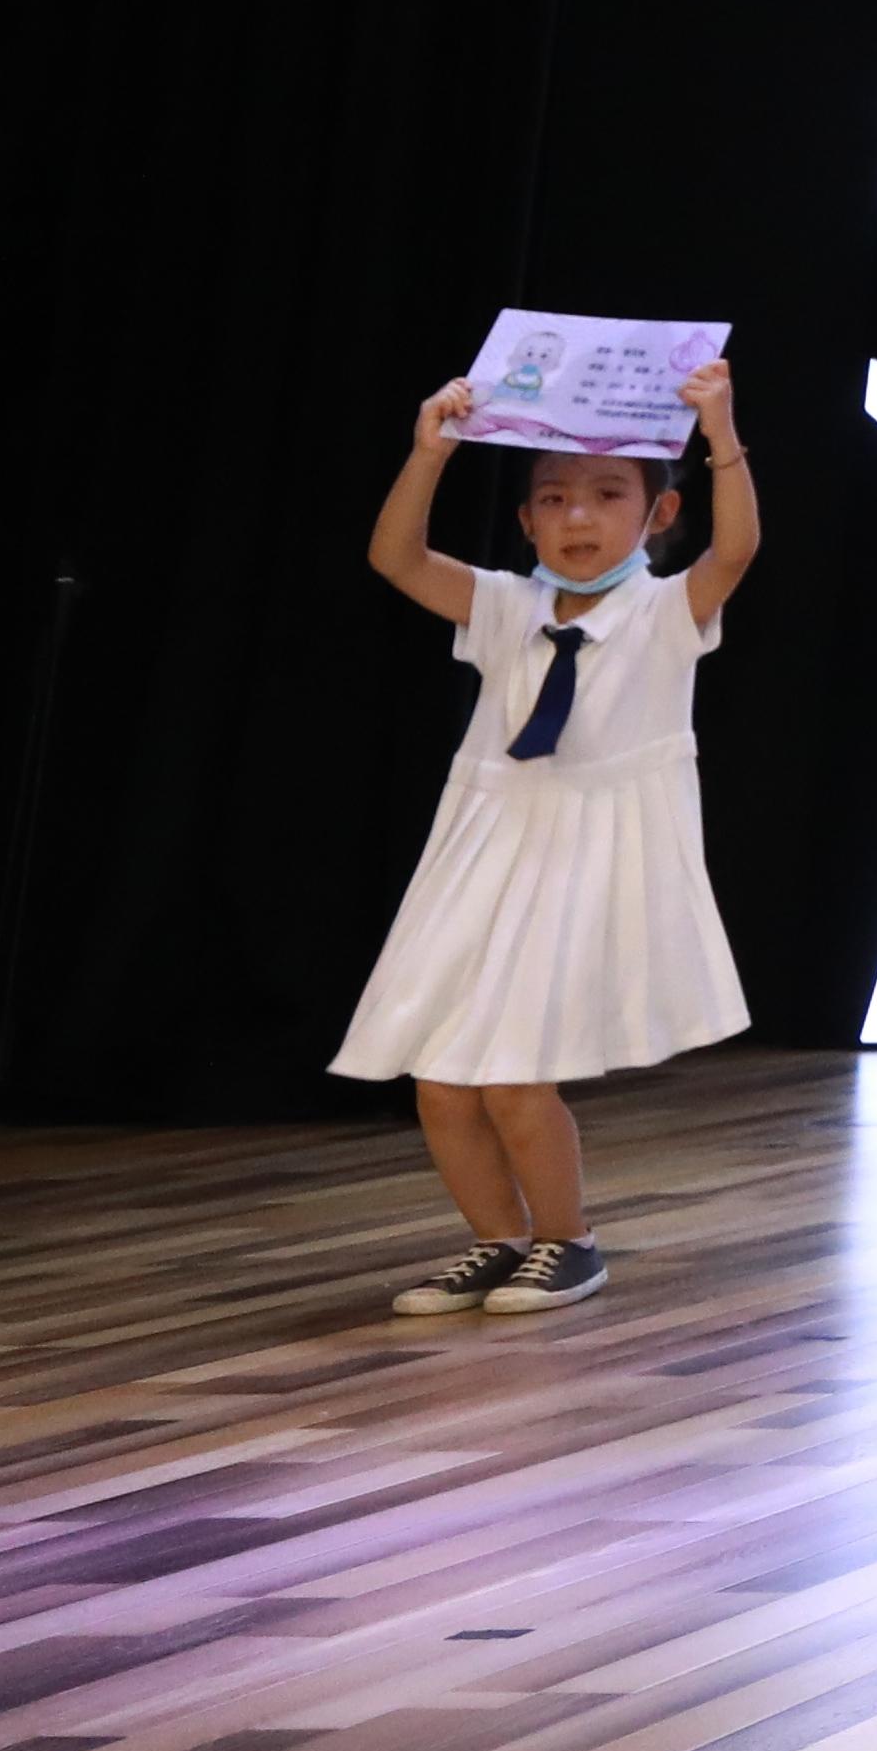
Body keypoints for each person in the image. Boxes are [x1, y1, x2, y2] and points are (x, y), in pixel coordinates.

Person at [333, 360, 762, 1314]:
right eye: (555, 499)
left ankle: (569, 1240)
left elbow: (735, 552)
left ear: (658, 514)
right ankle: (497, 1239)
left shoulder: (662, 612)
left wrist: (720, 434)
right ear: (526, 521)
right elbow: (397, 559)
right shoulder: (506, 606)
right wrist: (429, 452)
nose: (578, 518)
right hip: (485, 850)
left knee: (517, 1076)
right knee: (442, 1079)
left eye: (608, 496)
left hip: (584, 858)